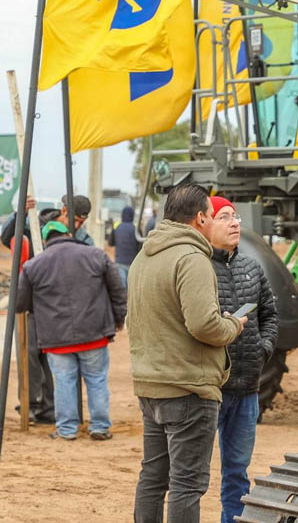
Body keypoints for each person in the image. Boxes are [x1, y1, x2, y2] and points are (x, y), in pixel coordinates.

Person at [129, 183, 246, 523]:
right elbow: (205, 326)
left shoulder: (143, 256)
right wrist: (232, 326)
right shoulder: (192, 258)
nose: (213, 222)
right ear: (200, 218)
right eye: (212, 215)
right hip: (188, 389)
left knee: (153, 478)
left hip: (151, 385)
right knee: (186, 484)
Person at [16, 220, 127, 441]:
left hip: (56, 337)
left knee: (64, 382)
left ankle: (66, 429)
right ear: (67, 233)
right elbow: (118, 290)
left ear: (46, 240)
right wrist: (118, 318)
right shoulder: (96, 255)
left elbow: (20, 303)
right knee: (96, 380)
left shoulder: (33, 265)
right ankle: (100, 427)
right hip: (95, 333)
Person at [206, 196, 278, 523]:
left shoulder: (252, 267)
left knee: (237, 471)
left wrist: (263, 348)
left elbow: (270, 315)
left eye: (235, 217)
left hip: (247, 388)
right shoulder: (197, 268)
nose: (235, 223)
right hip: (209, 390)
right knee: (189, 473)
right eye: (224, 217)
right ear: (204, 223)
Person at [109, 205, 143, 286]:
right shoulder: (136, 228)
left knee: (121, 287)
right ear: (132, 215)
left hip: (119, 262)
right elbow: (141, 247)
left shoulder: (116, 227)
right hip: (133, 263)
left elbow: (110, 243)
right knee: (131, 288)